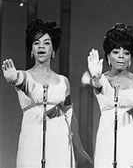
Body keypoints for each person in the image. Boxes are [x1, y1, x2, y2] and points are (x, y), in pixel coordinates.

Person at [2, 18, 91, 168]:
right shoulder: (23, 76)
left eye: (46, 43)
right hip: (31, 146)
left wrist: (79, 148)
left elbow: (69, 116)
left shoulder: (63, 81)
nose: (41, 46)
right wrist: (13, 80)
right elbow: (23, 84)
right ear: (31, 50)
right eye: (36, 43)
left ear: (53, 50)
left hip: (60, 147)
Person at [87, 23, 133, 168]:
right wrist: (95, 77)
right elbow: (98, 86)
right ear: (107, 55)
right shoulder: (101, 80)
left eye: (126, 53)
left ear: (131, 57)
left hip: (131, 147)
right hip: (105, 147)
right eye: (116, 52)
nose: (121, 56)